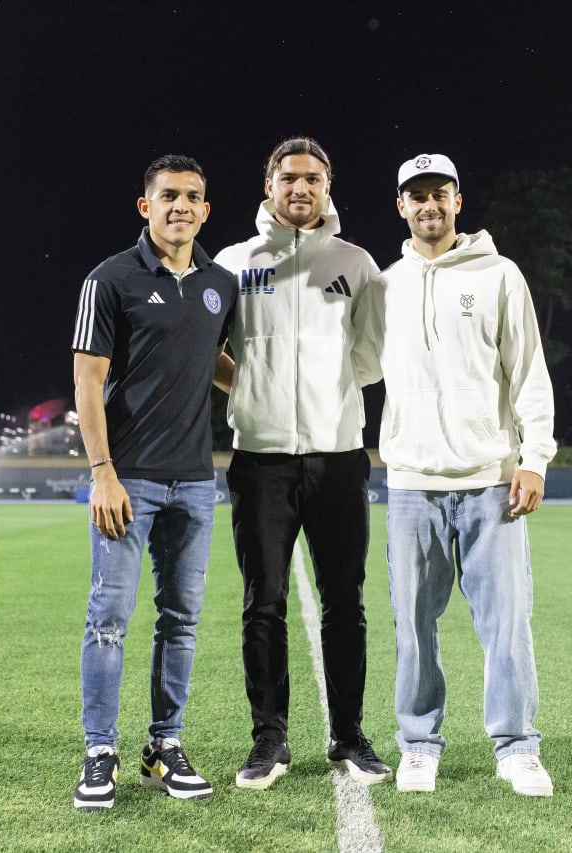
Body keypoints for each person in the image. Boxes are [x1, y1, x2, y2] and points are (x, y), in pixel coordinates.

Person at [352, 153, 557, 796]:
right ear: (401, 207)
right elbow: (354, 370)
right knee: (414, 625)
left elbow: (528, 372)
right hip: (412, 482)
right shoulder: (385, 285)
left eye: (439, 193)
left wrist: (533, 458)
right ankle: (419, 745)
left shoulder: (499, 275)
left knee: (507, 624)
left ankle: (517, 747)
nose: (428, 206)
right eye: (416, 196)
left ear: (458, 200)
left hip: (490, 480)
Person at [212, 137, 391, 790]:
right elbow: (208, 351)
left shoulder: (356, 262)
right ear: (268, 184)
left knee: (346, 601)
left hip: (339, 457)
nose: (301, 188)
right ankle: (270, 741)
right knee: (264, 602)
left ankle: (349, 735)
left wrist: (327, 394)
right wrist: (255, 389)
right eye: (289, 177)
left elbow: (370, 357)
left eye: (313, 178)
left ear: (327, 185)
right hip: (260, 459)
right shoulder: (233, 262)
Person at [70, 154, 237, 811]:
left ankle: (163, 746)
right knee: (108, 619)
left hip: (196, 481)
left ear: (205, 209)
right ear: (145, 206)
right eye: (168, 195)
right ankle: (99, 752)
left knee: (182, 621)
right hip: (128, 480)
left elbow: (217, 362)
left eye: (193, 197)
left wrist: (266, 392)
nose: (181, 207)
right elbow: (87, 379)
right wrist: (102, 472)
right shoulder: (110, 279)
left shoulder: (222, 283)